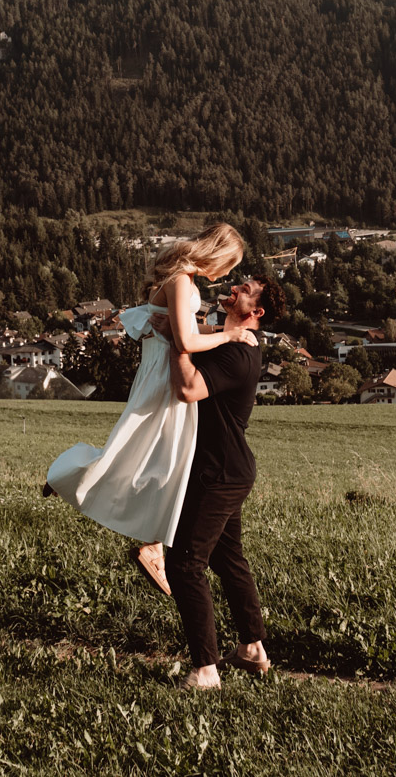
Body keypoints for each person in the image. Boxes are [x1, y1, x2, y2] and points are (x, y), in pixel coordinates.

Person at [44, 223, 258, 594]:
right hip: (163, 374)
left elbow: (184, 330)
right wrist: (230, 334)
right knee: (146, 452)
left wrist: (220, 334)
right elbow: (186, 338)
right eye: (229, 265)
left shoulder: (183, 279)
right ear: (218, 254)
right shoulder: (180, 281)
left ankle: (156, 541)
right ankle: (71, 475)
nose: (226, 274)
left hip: (161, 367)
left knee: (166, 457)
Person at [166, 269, 286, 690]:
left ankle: (206, 671)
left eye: (245, 291)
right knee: (227, 558)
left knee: (184, 565)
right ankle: (253, 648)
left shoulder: (237, 353)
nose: (234, 289)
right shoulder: (231, 341)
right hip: (228, 469)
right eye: (238, 284)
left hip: (220, 473)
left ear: (257, 311)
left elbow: (189, 390)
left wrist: (181, 348)